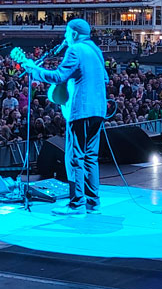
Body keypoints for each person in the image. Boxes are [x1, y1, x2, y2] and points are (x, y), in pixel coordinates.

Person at [17, 18, 108, 215]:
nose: (65, 37)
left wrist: (34, 70)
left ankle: (77, 204)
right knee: (91, 157)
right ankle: (93, 202)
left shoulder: (75, 50)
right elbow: (104, 78)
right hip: (99, 111)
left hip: (81, 111)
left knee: (75, 157)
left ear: (74, 33)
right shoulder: (96, 51)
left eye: (67, 33)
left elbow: (58, 76)